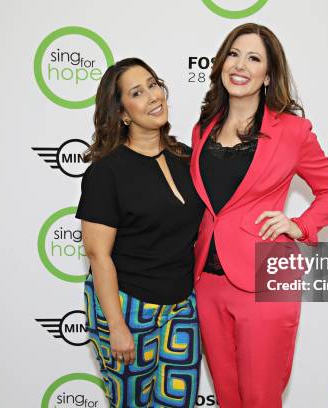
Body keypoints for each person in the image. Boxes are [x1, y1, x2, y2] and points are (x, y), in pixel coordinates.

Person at [190, 23, 328, 407]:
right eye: (233, 53)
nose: (240, 65)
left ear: (268, 74)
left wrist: (299, 224)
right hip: (207, 281)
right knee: (227, 394)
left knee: (261, 395)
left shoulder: (293, 131)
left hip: (265, 277)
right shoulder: (203, 128)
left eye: (254, 58)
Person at [77, 58, 204, 408]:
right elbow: (97, 254)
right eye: (137, 92)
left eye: (153, 84)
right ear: (122, 113)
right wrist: (117, 327)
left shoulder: (187, 159)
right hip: (127, 306)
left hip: (181, 307)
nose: (153, 96)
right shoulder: (107, 172)